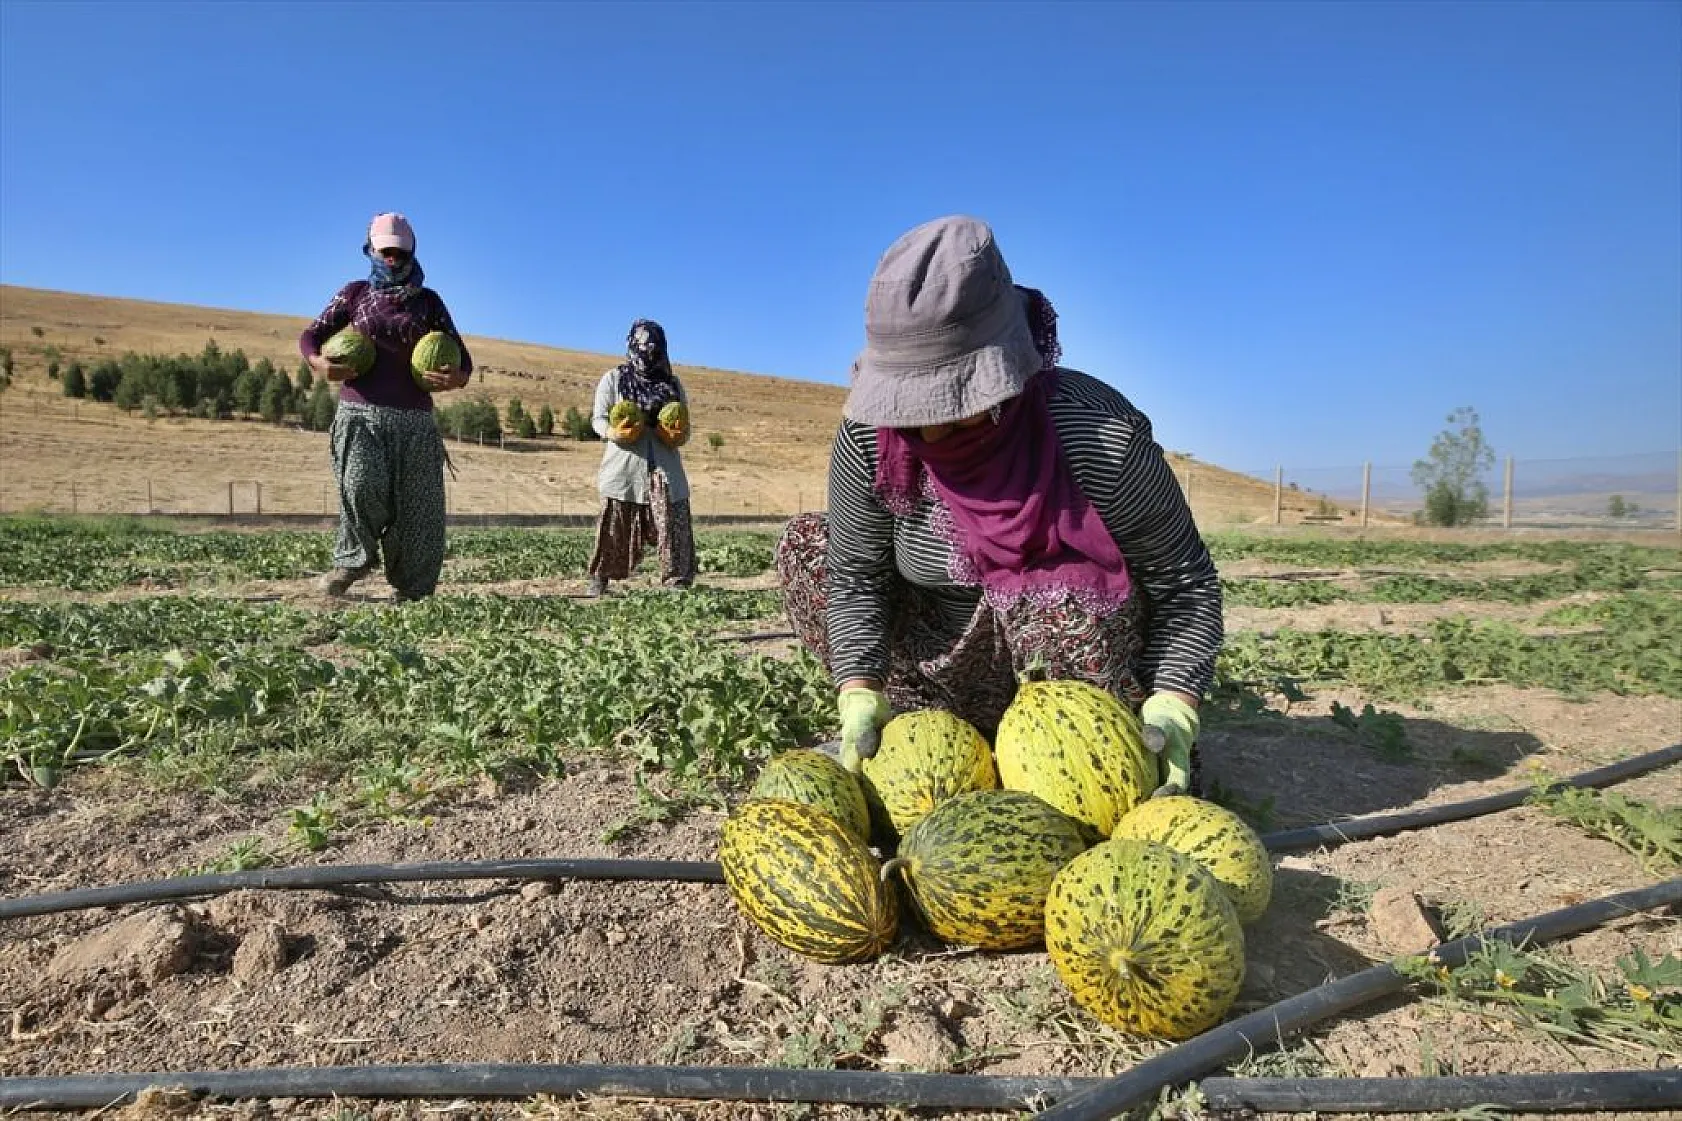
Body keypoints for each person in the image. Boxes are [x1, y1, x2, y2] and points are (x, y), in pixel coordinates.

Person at [776, 216, 1223, 795]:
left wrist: (1174, 703)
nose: (926, 433)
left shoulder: (1097, 434)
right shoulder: (871, 438)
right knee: (813, 545)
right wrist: (859, 687)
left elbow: (1186, 588)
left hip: (1072, 692)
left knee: (1048, 591)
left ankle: (1083, 757)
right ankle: (932, 734)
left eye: (947, 403)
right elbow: (857, 579)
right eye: (909, 408)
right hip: (939, 674)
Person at [300, 212, 472, 601]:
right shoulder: (355, 294)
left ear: (410, 251)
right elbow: (311, 335)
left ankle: (413, 588)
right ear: (370, 251)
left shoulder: (429, 303)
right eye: (385, 251)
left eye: (398, 251)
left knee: (419, 508)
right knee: (359, 487)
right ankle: (353, 560)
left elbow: (463, 359)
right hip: (360, 415)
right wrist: (319, 363)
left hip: (415, 420)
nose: (391, 258)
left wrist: (455, 378)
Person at [586, 318, 698, 596]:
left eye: (654, 348)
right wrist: (614, 432)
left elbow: (685, 427)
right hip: (624, 465)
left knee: (673, 520)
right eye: (642, 347)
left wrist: (676, 434)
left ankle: (677, 580)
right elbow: (597, 419)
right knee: (615, 521)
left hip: (665, 465)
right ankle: (600, 578)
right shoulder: (614, 379)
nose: (648, 354)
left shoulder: (673, 384)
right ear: (632, 346)